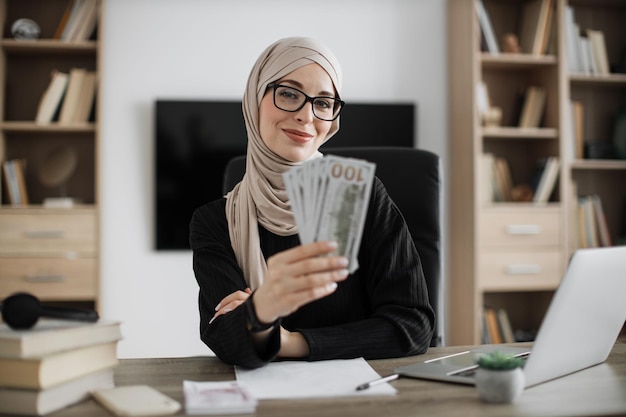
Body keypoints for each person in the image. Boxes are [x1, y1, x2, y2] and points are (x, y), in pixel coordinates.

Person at [190, 37, 434, 369]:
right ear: (254, 99)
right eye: (289, 94)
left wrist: (285, 338)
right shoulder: (214, 222)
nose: (307, 116)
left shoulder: (360, 195)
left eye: (323, 102)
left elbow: (413, 327)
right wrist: (263, 310)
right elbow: (228, 341)